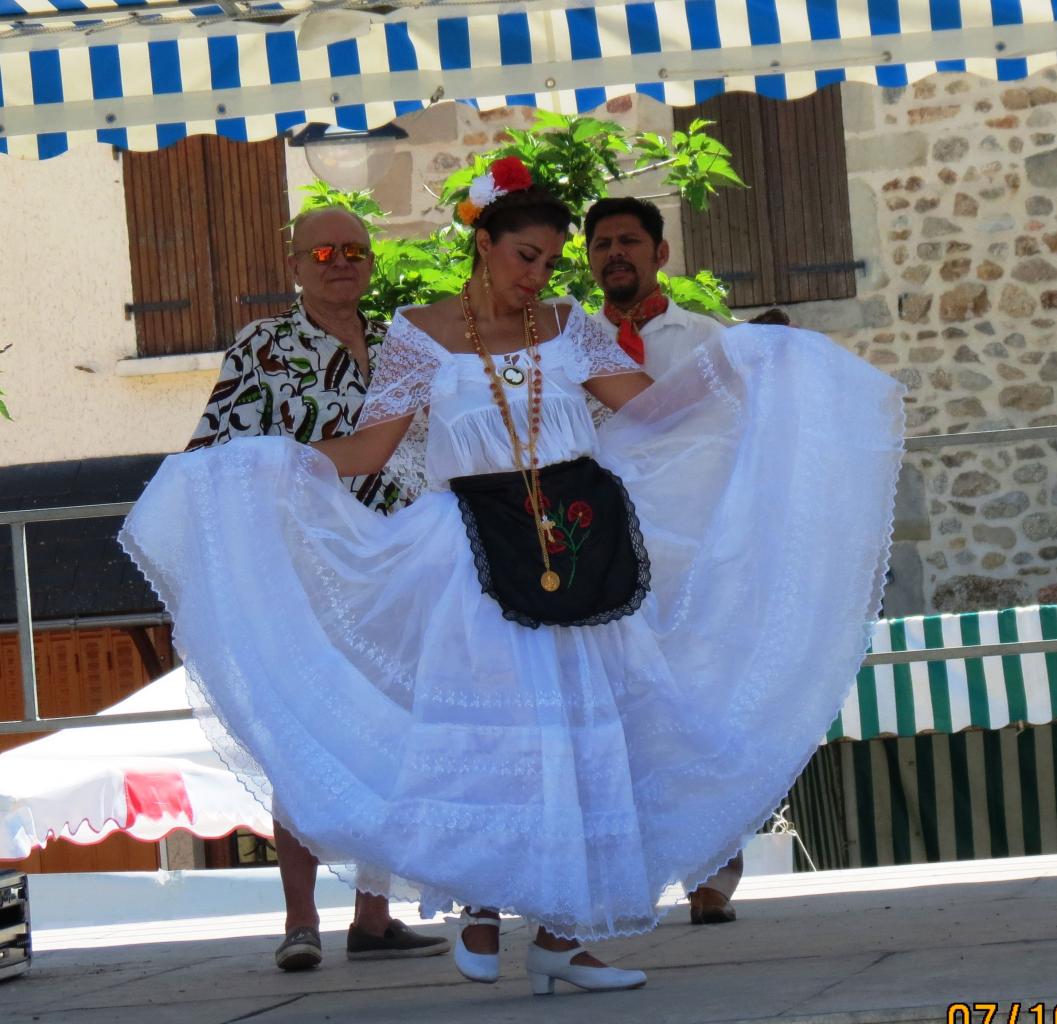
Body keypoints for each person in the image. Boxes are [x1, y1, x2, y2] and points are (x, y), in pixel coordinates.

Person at [122, 157, 903, 996]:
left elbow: (649, 408)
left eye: (548, 260)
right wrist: (267, 466)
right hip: (473, 551)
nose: (538, 275)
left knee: (587, 735)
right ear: (483, 243)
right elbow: (369, 451)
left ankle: (565, 937)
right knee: (495, 734)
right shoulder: (419, 334)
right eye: (524, 255)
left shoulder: (572, 327)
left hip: (581, 542)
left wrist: (744, 368)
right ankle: (483, 905)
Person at [186, 205, 449, 971]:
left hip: (401, 567)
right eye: (324, 251)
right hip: (306, 569)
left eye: (356, 251)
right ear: (295, 266)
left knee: (390, 734)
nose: (342, 262)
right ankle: (300, 920)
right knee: (301, 736)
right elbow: (215, 453)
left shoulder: (409, 347)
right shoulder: (263, 346)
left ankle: (373, 916)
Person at [584, 196, 759, 926]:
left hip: (692, 559)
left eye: (629, 241)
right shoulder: (569, 343)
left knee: (700, 706)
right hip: (604, 559)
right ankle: (629, 871)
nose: (614, 254)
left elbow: (743, 443)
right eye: (601, 244)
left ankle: (715, 863)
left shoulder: (709, 342)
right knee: (618, 716)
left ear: (660, 253)